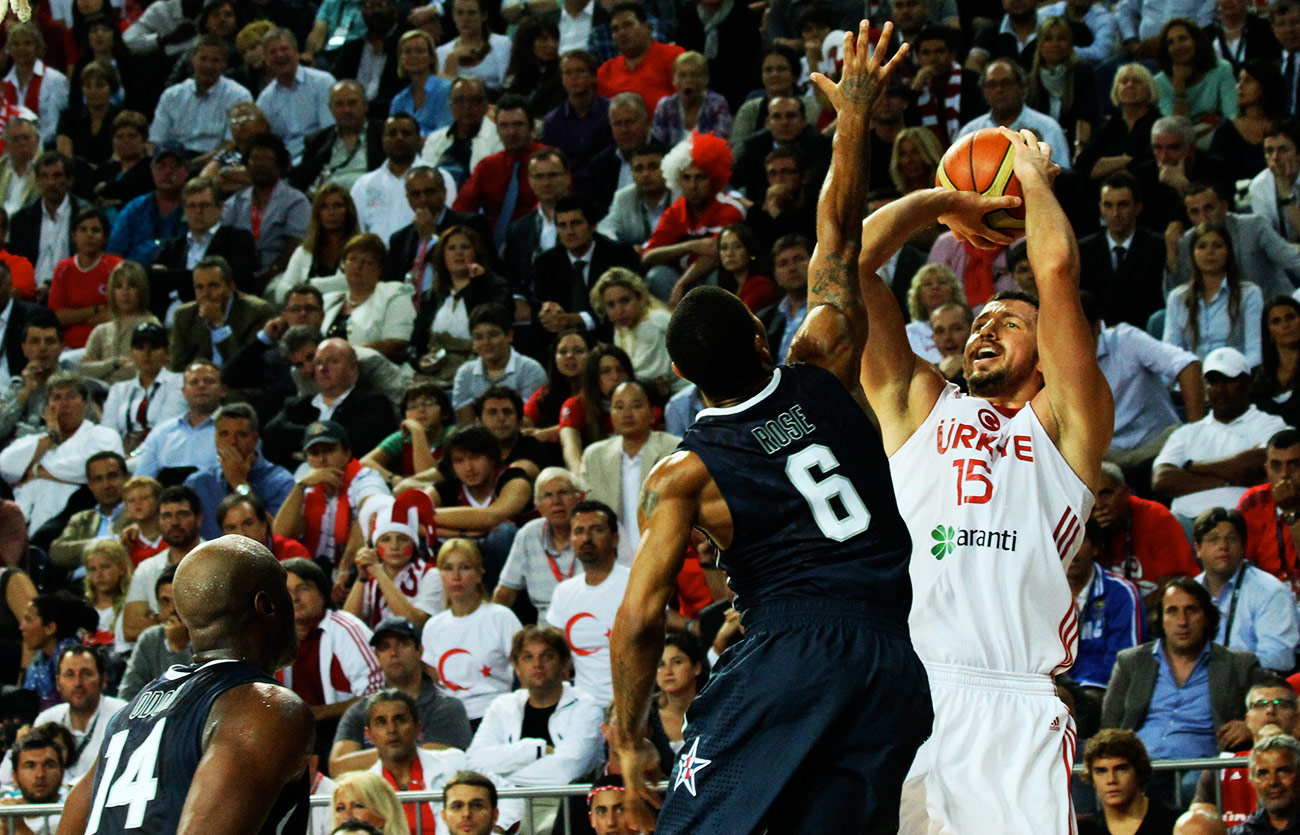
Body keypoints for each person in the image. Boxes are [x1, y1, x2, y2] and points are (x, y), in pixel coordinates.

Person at [609, 25, 931, 833]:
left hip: (794, 650)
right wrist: (852, 119)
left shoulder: (685, 470)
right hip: (893, 659)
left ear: (682, 379)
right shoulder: (819, 359)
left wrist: (624, 729)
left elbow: (642, 614)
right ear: (762, 338)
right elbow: (840, 236)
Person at [854, 89, 1110, 835]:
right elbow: (849, 262)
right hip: (907, 690)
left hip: (1012, 701)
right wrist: (944, 200)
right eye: (980, 319)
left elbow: (1056, 269)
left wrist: (1028, 178)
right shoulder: (920, 405)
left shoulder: (1067, 424)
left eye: (1012, 320)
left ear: (1047, 359)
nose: (986, 325)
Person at [56, 536, 315, 834]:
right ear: (267, 605)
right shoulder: (267, 709)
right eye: (285, 590)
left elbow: (73, 816)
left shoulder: (131, 714)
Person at [1101, 577, 1264, 803]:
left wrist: (1252, 726)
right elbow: (1109, 726)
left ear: (1207, 617)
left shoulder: (1239, 665)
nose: (1182, 621)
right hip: (1141, 767)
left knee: (1190, 786)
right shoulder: (1131, 662)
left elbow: (1281, 700)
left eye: (1191, 610)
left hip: (1200, 769)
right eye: (1172, 611)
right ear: (1161, 618)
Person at [1153, 347, 1287, 531]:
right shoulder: (1186, 433)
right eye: (1213, 382)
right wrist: (1226, 481)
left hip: (1245, 522)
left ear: (1248, 382)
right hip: (1188, 522)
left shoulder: (1270, 425)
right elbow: (1161, 480)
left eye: (1229, 380)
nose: (1220, 389)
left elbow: (1252, 464)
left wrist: (1192, 466)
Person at [329, 616, 472, 776]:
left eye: (403, 644)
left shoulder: (447, 707)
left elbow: (433, 761)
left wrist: (382, 753)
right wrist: (405, 750)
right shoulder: (360, 710)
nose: (393, 653)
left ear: (420, 651)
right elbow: (338, 767)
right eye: (384, 647)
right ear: (377, 656)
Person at [468, 624, 604, 783]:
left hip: (563, 804)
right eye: (528, 657)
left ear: (564, 664)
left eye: (547, 656)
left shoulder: (586, 708)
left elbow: (566, 774)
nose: (537, 664)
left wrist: (500, 780)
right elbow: (473, 762)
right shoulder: (502, 706)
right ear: (517, 667)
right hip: (508, 805)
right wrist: (535, 750)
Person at [0, 373, 125, 535]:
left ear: (85, 403)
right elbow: (5, 467)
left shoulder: (103, 435)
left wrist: (36, 471)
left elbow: (90, 469)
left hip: (70, 520)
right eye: (56, 398)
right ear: (48, 406)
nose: (64, 404)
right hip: (23, 520)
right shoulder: (36, 440)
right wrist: (50, 437)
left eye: (71, 397)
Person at [419, 539, 521, 725]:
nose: (456, 576)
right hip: (448, 719)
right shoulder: (433, 626)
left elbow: (523, 668)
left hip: (495, 715)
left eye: (464, 567)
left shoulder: (501, 618)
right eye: (448, 568)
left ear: (479, 575)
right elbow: (436, 683)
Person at [1193, 507, 1299, 672]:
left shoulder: (1270, 591)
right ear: (1198, 549)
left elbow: (1280, 658)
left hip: (1251, 685)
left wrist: (1226, 666)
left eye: (1231, 539)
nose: (1223, 546)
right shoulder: (1187, 593)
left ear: (1244, 546)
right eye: (1213, 539)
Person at [184, 402, 296, 542]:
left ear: (255, 440)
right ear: (216, 439)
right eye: (224, 434)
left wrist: (239, 483)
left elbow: (278, 538)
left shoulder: (281, 482)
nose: (232, 442)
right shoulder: (197, 482)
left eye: (241, 435)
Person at [1093, 462, 1200, 600]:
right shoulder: (1082, 526)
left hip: (1154, 614)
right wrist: (1093, 534)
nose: (1098, 505)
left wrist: (1129, 614)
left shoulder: (1156, 517)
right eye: (1091, 496)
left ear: (1126, 492)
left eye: (1106, 494)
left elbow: (1172, 586)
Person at [121, 486, 206, 642]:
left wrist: (159, 620)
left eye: (182, 514)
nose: (174, 522)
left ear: (198, 518)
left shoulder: (217, 559)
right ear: (158, 521)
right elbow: (130, 629)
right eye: (166, 516)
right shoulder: (147, 568)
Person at [33, 645, 127, 784]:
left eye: (86, 674)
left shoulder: (122, 715)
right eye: (70, 674)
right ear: (58, 683)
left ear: (104, 680)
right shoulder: (46, 719)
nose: (78, 683)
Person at [129, 360, 224, 484]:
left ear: (223, 390)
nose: (201, 386)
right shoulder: (162, 433)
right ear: (184, 392)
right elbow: (142, 481)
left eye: (209, 381)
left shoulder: (235, 428)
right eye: (194, 382)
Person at [100, 323, 185, 453]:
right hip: (121, 457)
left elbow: (165, 429)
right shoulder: (118, 389)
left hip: (161, 452)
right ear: (131, 353)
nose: (146, 353)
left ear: (167, 352)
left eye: (154, 347)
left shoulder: (179, 382)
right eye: (140, 348)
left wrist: (134, 457)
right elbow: (107, 432)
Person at [1079, 729, 1180, 835]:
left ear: (1139, 771)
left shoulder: (1176, 823)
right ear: (1091, 776)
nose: (1111, 780)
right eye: (1101, 771)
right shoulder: (1082, 830)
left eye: (1121, 769)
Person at [117, 565, 193, 701]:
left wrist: (178, 650)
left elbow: (190, 696)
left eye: (178, 599)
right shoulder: (150, 638)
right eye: (165, 601)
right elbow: (127, 696)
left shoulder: (207, 636)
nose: (172, 609)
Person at [78, 262, 161, 385]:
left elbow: (145, 370)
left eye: (131, 286)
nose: (125, 293)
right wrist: (114, 363)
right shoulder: (101, 330)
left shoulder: (151, 326)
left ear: (141, 290)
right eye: (119, 286)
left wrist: (101, 371)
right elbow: (82, 370)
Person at [48, 452, 130, 572]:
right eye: (98, 479)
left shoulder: (139, 513)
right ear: (90, 485)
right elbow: (57, 553)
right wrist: (107, 542)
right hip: (78, 585)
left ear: (127, 478)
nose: (106, 485)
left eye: (112, 476)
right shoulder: (81, 518)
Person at [1239, 429, 1300, 585]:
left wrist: (1290, 510)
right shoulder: (1254, 501)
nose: (1284, 474)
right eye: (1276, 466)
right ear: (1267, 470)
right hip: (1267, 596)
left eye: (1294, 465)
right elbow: (1238, 564)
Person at [1233, 734, 1300, 833]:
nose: (1273, 782)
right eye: (1263, 774)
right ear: (1252, 781)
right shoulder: (1241, 832)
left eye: (1283, 771)